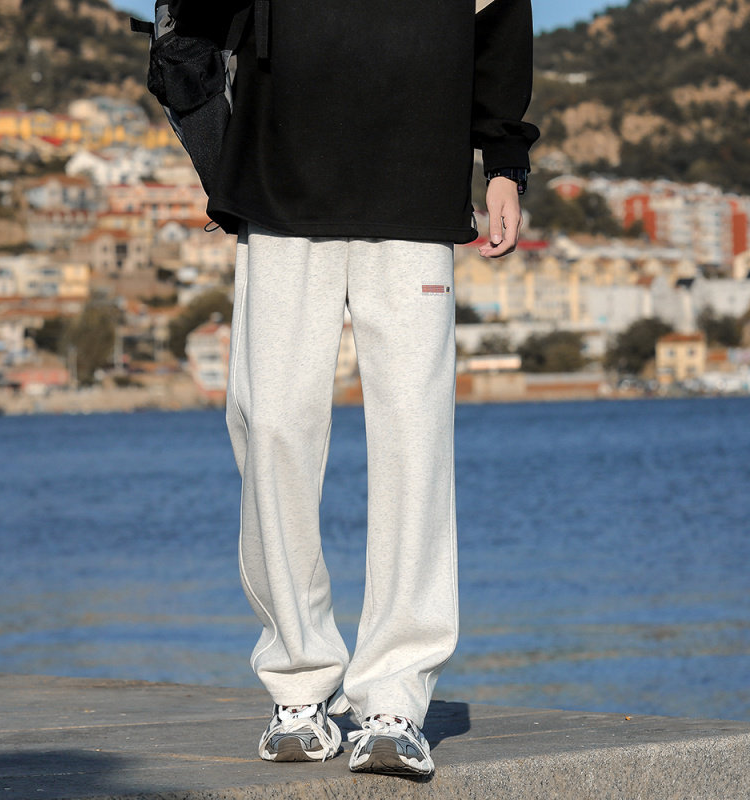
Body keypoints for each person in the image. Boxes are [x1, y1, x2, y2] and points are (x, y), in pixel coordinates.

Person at [203, 0, 539, 777]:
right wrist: (215, 148)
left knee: (414, 439)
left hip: (417, 180)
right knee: (273, 426)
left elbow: (499, 15)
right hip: (279, 178)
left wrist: (503, 160)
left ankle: (394, 698)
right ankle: (297, 680)